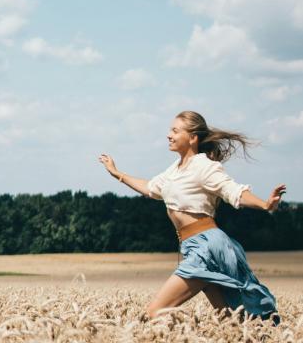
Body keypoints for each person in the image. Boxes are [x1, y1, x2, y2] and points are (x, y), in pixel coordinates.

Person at [98, 110, 285, 325]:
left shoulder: (203, 166)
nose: (169, 135)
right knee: (232, 322)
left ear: (193, 137)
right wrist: (117, 173)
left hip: (207, 248)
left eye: (175, 131)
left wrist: (264, 204)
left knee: (153, 313)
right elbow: (150, 188)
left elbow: (232, 190)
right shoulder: (174, 171)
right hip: (193, 245)